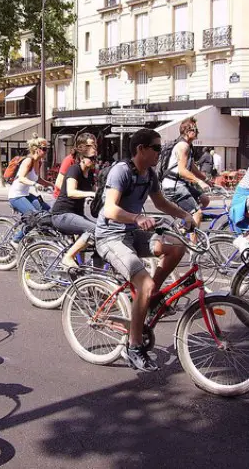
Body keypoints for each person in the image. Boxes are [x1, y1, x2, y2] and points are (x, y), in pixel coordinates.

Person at [96, 129, 194, 372]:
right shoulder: (121, 171)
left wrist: (184, 214)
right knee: (145, 285)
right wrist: (137, 217)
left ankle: (148, 300)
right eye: (157, 149)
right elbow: (109, 209)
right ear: (141, 149)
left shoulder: (149, 174)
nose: (161, 154)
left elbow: (160, 203)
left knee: (176, 248)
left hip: (131, 233)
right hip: (110, 237)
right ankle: (133, 346)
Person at [51, 142, 98, 268]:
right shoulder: (74, 169)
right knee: (93, 229)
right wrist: (89, 194)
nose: (95, 161)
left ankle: (86, 270)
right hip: (62, 214)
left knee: (102, 231)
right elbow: (71, 192)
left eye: (96, 158)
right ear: (82, 158)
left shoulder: (90, 174)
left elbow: (96, 192)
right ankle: (68, 257)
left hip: (76, 214)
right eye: (92, 158)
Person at [160, 118, 210, 234]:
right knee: (197, 213)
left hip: (180, 184)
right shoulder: (183, 146)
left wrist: (206, 180)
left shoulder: (188, 146)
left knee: (205, 200)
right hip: (174, 185)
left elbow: (192, 168)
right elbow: (182, 171)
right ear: (187, 131)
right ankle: (194, 248)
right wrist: (199, 182)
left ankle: (186, 225)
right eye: (195, 129)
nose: (197, 132)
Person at [8, 134, 54, 242]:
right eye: (44, 149)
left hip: (26, 194)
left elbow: (37, 179)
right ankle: (16, 240)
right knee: (34, 217)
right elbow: (21, 179)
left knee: (47, 211)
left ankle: (34, 235)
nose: (46, 151)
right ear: (37, 149)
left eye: (47, 149)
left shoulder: (38, 162)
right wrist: (34, 185)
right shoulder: (28, 161)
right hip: (16, 196)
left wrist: (52, 185)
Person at [53, 132, 97, 199]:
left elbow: (91, 184)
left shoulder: (90, 162)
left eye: (94, 145)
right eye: (89, 146)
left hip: (79, 199)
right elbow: (59, 182)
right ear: (81, 146)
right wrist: (74, 192)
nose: (93, 148)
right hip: (63, 199)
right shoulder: (70, 160)